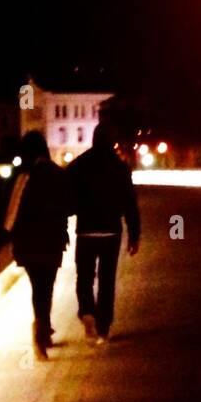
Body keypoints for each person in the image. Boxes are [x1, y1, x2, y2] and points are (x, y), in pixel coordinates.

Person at [67, 121, 140, 344]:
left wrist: (74, 210)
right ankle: (103, 327)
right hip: (111, 232)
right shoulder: (120, 168)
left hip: (86, 231)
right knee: (107, 280)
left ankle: (87, 311)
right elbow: (130, 204)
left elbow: (67, 196)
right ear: (112, 141)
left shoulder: (79, 165)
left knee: (85, 277)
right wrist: (134, 235)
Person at [4, 130, 71, 362]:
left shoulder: (23, 176)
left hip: (28, 242)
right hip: (52, 240)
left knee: (37, 288)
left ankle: (41, 329)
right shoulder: (58, 174)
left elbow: (11, 212)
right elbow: (69, 206)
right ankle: (43, 329)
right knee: (47, 287)